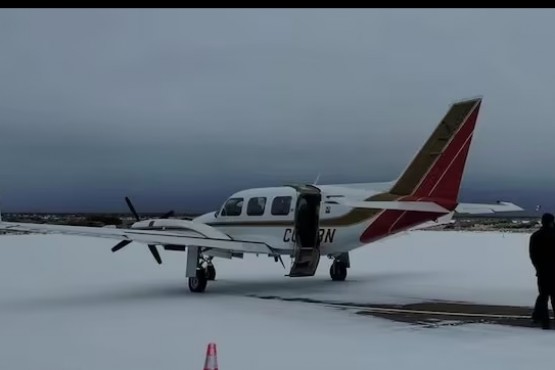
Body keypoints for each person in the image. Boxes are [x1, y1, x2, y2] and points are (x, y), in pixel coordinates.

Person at [529, 212, 555, 329]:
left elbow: (533, 255)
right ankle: (538, 316)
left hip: (543, 271)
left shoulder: (536, 236)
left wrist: (538, 268)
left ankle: (543, 320)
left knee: (543, 296)